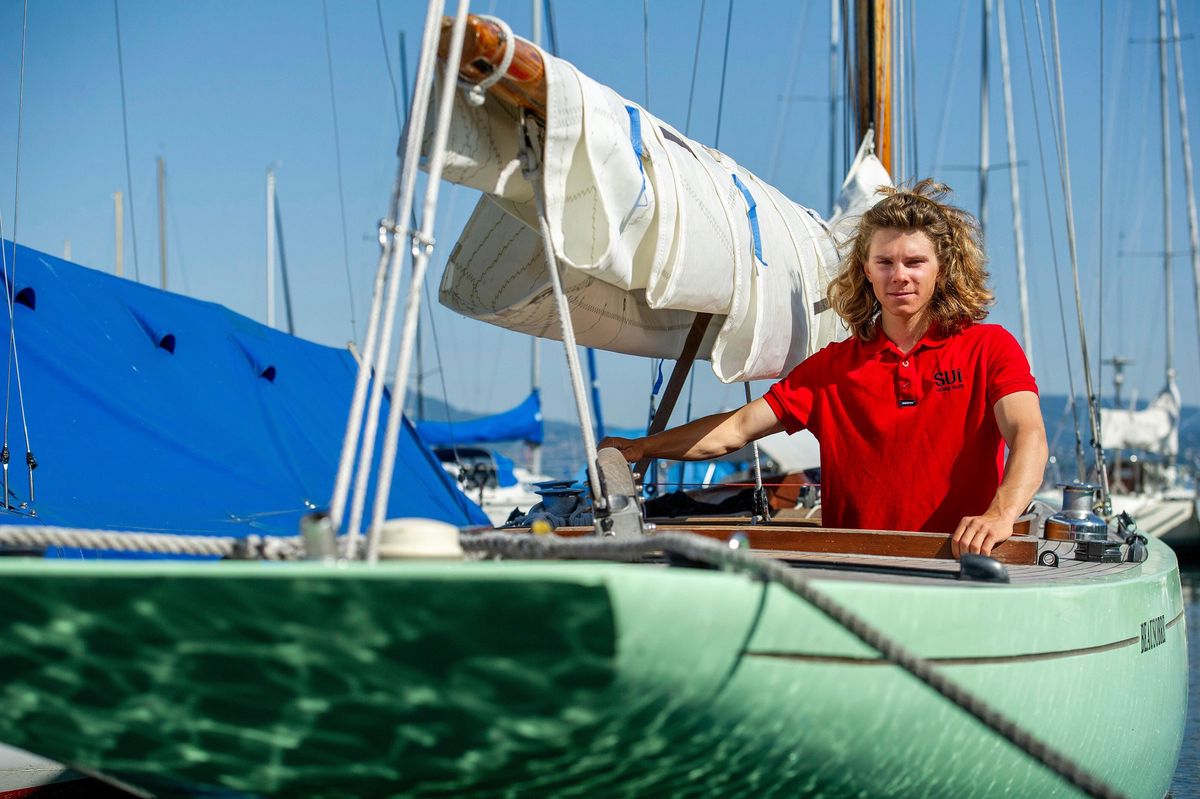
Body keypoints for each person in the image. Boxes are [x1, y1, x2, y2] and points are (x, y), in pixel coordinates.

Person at [599, 179, 1048, 558]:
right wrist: (644, 447)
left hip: (959, 565)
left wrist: (1001, 513)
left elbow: (1028, 435)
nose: (899, 276)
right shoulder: (832, 369)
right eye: (884, 262)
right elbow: (735, 430)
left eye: (914, 262)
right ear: (866, 271)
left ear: (941, 269)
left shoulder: (990, 348)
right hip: (856, 573)